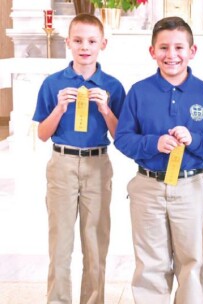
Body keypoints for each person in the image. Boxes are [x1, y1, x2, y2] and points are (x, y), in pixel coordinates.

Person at [114, 16, 203, 303]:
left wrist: (195, 139)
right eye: (164, 48)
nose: (172, 55)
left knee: (191, 261)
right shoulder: (139, 92)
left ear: (193, 51)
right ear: (152, 52)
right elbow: (123, 138)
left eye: (179, 47)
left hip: (192, 186)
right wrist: (154, 143)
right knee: (150, 262)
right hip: (148, 186)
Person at [32, 13, 125, 303]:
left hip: (98, 164)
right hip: (62, 164)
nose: (85, 47)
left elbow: (120, 136)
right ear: (68, 43)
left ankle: (93, 299)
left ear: (103, 44)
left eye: (91, 41)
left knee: (96, 242)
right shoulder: (53, 84)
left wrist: (106, 109)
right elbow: (42, 134)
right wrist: (59, 109)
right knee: (60, 243)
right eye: (78, 40)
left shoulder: (113, 85)